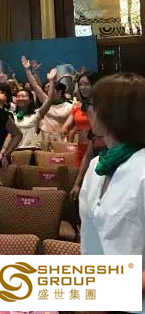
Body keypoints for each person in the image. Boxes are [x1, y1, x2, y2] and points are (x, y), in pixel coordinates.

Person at [78, 73, 145, 313]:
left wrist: (110, 296)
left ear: (114, 113)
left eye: (92, 104)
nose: (87, 110)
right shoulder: (97, 166)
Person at [22, 56, 72, 150]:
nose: (48, 91)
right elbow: (35, 86)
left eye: (51, 89)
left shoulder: (69, 106)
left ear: (59, 92)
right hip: (44, 138)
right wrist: (27, 70)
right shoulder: (47, 101)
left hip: (61, 139)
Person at [60, 70, 101, 167]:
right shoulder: (78, 106)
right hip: (81, 146)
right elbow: (66, 126)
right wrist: (65, 130)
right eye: (80, 85)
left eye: (86, 84)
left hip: (97, 147)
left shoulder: (101, 106)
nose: (82, 88)